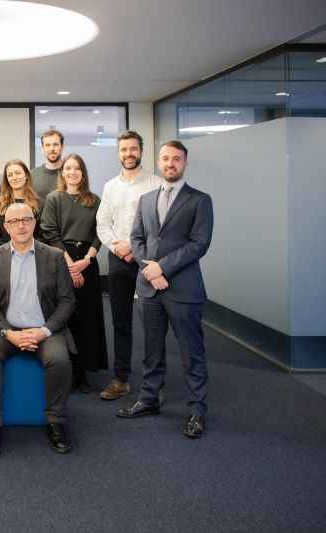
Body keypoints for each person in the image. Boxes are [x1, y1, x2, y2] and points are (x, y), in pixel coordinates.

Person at [116, 141, 214, 440]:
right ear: (158, 161)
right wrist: (149, 270)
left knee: (191, 352)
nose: (170, 163)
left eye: (176, 159)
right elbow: (136, 238)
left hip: (183, 289)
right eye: (165, 158)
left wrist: (163, 268)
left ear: (185, 162)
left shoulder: (200, 200)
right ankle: (149, 399)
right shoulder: (146, 199)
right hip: (149, 289)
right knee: (151, 350)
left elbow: (199, 243)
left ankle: (197, 410)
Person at [0, 202, 75, 459]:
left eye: (26, 219)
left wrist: (44, 331)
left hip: (44, 329)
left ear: (34, 223)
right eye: (14, 221)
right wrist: (8, 332)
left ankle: (56, 422)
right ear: (6, 227)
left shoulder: (54, 256)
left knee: (59, 360)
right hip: (4, 329)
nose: (21, 225)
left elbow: (67, 301)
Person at [95, 130, 163, 401]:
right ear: (118, 153)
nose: (129, 154)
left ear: (141, 151)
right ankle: (121, 379)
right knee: (121, 321)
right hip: (118, 258)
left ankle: (154, 383)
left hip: (148, 260)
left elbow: (160, 226)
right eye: (124, 149)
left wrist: (134, 249)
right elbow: (102, 223)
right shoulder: (110, 186)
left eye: (133, 149)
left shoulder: (156, 183)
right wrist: (117, 247)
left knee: (153, 322)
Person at [40, 153, 107, 393]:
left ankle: (83, 373)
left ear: (83, 172)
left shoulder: (94, 200)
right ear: (62, 172)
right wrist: (70, 264)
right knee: (65, 317)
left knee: (87, 317)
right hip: (62, 259)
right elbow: (49, 231)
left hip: (88, 260)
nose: (72, 172)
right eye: (68, 168)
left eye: (77, 168)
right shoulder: (54, 198)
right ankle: (65, 371)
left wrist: (87, 259)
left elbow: (101, 232)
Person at [0, 159, 42, 249]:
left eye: (18, 173)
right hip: (5, 254)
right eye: (10, 175)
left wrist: (26, 250)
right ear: (7, 180)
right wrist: (13, 251)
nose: (14, 177)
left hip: (33, 254)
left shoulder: (39, 203)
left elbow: (42, 236)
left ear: (26, 175)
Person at [31, 129, 64, 200]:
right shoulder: (32, 175)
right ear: (42, 148)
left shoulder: (70, 174)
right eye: (47, 145)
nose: (52, 149)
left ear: (62, 147)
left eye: (55, 144)